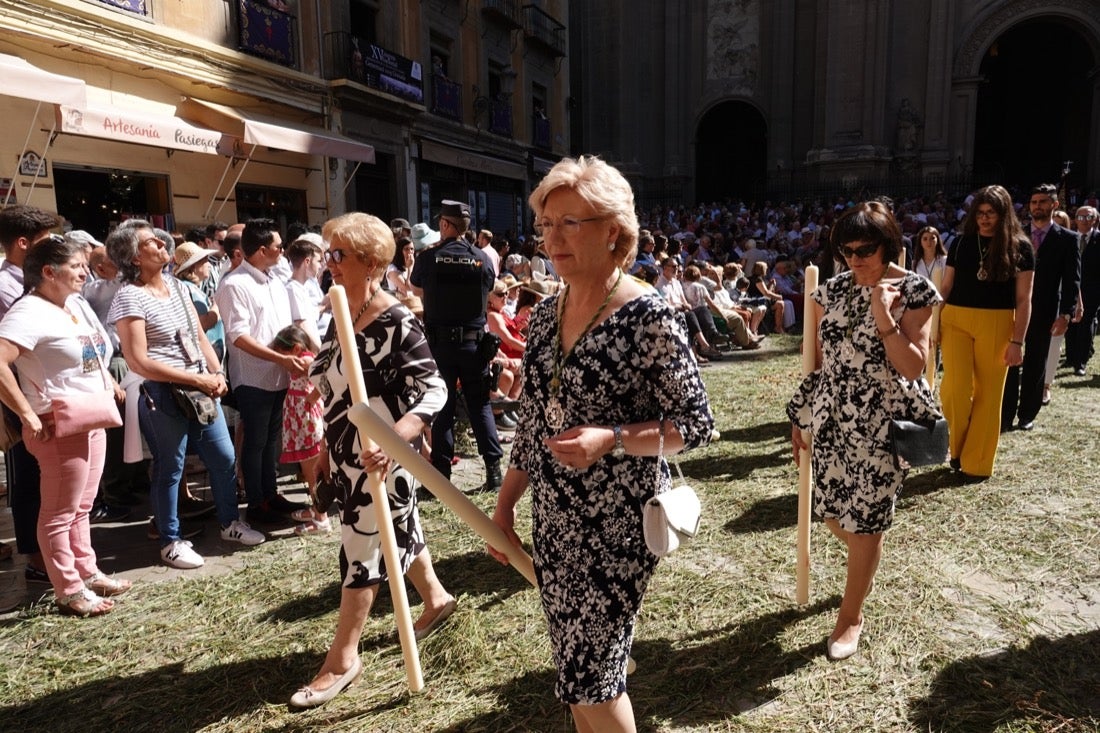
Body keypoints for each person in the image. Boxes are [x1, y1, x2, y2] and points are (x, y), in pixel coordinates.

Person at [489, 156, 714, 732]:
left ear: (612, 230)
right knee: (575, 664)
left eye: (568, 223)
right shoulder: (543, 315)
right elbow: (536, 419)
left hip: (619, 520)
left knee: (592, 672)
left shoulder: (650, 316)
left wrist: (611, 439)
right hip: (556, 516)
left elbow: (695, 424)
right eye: (544, 224)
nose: (551, 238)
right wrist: (506, 504)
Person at [290, 212, 455, 709]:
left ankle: (343, 657)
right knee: (398, 531)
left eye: (337, 254)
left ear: (370, 262)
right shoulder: (342, 310)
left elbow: (434, 388)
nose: (328, 264)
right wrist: (321, 449)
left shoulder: (396, 319)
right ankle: (437, 598)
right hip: (344, 452)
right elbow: (336, 391)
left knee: (360, 546)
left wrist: (397, 437)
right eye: (327, 254)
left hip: (382, 458)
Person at [788, 201, 940, 661]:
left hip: (881, 422)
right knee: (834, 513)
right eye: (846, 249)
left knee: (866, 522)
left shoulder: (916, 290)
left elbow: (913, 365)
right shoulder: (829, 292)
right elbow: (818, 360)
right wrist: (801, 415)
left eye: (865, 249)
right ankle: (865, 555)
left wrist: (885, 316)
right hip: (832, 417)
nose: (854, 258)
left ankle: (851, 614)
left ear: (888, 244)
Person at [108, 221, 265, 569]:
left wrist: (216, 372)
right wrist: (198, 379)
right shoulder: (129, 296)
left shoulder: (178, 287)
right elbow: (139, 360)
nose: (162, 243)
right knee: (170, 468)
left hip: (200, 389)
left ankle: (229, 523)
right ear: (134, 257)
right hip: (163, 393)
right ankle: (170, 540)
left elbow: (199, 336)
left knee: (223, 458)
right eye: (151, 241)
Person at [0, 236, 131, 616]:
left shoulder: (70, 304)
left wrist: (107, 378)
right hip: (56, 422)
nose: (84, 271)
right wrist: (25, 412)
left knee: (82, 505)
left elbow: (87, 353)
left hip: (90, 414)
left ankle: (86, 571)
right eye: (76, 266)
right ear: (48, 272)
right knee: (59, 511)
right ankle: (69, 589)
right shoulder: (27, 313)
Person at [215, 218, 309, 523]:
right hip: (254, 376)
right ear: (260, 250)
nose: (283, 251)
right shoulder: (234, 284)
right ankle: (256, 502)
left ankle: (270, 493)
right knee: (255, 441)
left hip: (280, 373)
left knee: (271, 439)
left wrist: (293, 352)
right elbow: (239, 337)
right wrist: (278, 358)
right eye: (279, 246)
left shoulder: (273, 280)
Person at [410, 200, 504, 492]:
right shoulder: (482, 258)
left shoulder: (428, 258)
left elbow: (415, 288)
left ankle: (440, 478)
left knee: (443, 408)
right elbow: (490, 288)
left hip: (440, 347)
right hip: (474, 346)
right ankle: (493, 471)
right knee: (480, 406)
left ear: (446, 225)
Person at [938, 186, 1032, 476]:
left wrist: (1017, 341)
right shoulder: (960, 244)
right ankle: (955, 449)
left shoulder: (1021, 247)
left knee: (989, 395)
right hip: (955, 319)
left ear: (1003, 214)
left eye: (991, 213)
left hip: (998, 322)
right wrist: (933, 325)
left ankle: (976, 463)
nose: (984, 218)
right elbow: (946, 286)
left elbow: (1023, 299)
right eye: (980, 212)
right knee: (955, 388)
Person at [0, 205, 60, 580]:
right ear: (23, 244)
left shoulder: (28, 279)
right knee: (29, 476)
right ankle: (36, 558)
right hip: (21, 397)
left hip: (43, 391)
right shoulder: (8, 286)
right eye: (46, 241)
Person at [1001, 184, 1080, 432]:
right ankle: (1005, 414)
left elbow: (1072, 279)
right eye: (1034, 202)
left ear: (1054, 205)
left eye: (1043, 202)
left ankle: (1027, 414)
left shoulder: (1068, 239)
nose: (1037, 206)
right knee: (1009, 360)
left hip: (1045, 309)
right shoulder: (1015, 235)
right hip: (1012, 308)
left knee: (1036, 361)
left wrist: (1066, 313)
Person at [271, 325, 329, 536]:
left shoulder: (305, 361)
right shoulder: (302, 357)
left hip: (305, 421)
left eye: (282, 355)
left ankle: (321, 518)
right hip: (300, 420)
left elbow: (325, 381)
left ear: (295, 348)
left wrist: (311, 399)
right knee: (308, 469)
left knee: (311, 470)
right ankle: (315, 509)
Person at [1065, 206, 1099, 375]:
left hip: (1092, 290)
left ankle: (1081, 362)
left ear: (1095, 220)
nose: (1084, 220)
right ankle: (1070, 357)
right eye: (1080, 216)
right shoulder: (1069, 238)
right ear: (1075, 219)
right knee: (1070, 322)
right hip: (1071, 287)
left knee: (1086, 323)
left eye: (1088, 217)